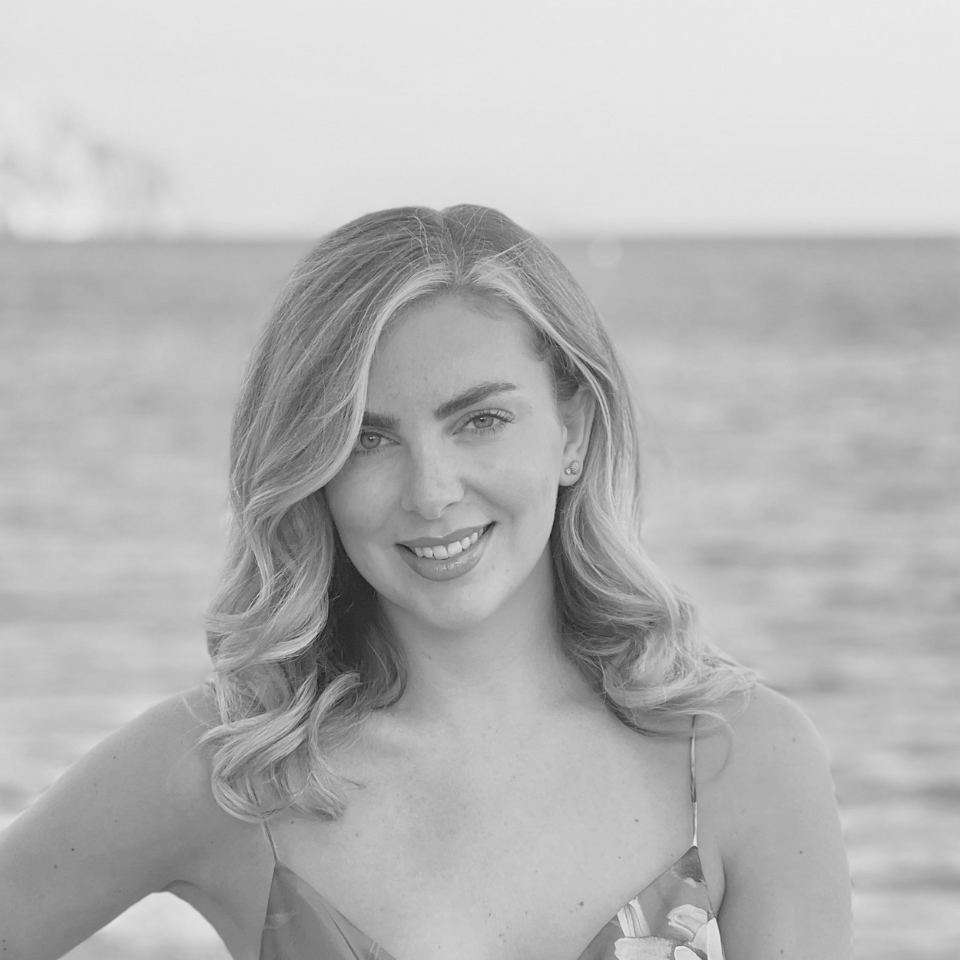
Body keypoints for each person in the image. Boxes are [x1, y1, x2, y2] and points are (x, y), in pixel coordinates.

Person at [0, 205, 851, 960]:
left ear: (573, 435)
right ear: (312, 470)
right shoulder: (232, 771)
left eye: (480, 420)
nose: (432, 492)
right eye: (367, 439)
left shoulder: (743, 762)